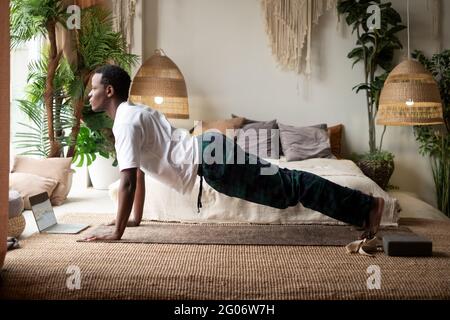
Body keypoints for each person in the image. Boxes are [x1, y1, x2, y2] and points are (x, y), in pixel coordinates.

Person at [84, 65, 384, 242]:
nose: (89, 94)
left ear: (109, 91)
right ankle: (362, 209)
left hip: (213, 159)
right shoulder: (133, 113)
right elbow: (137, 173)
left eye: (92, 88)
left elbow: (127, 182)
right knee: (286, 184)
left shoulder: (124, 121)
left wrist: (117, 233)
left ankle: (367, 206)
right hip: (211, 152)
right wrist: (134, 220)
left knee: (289, 186)